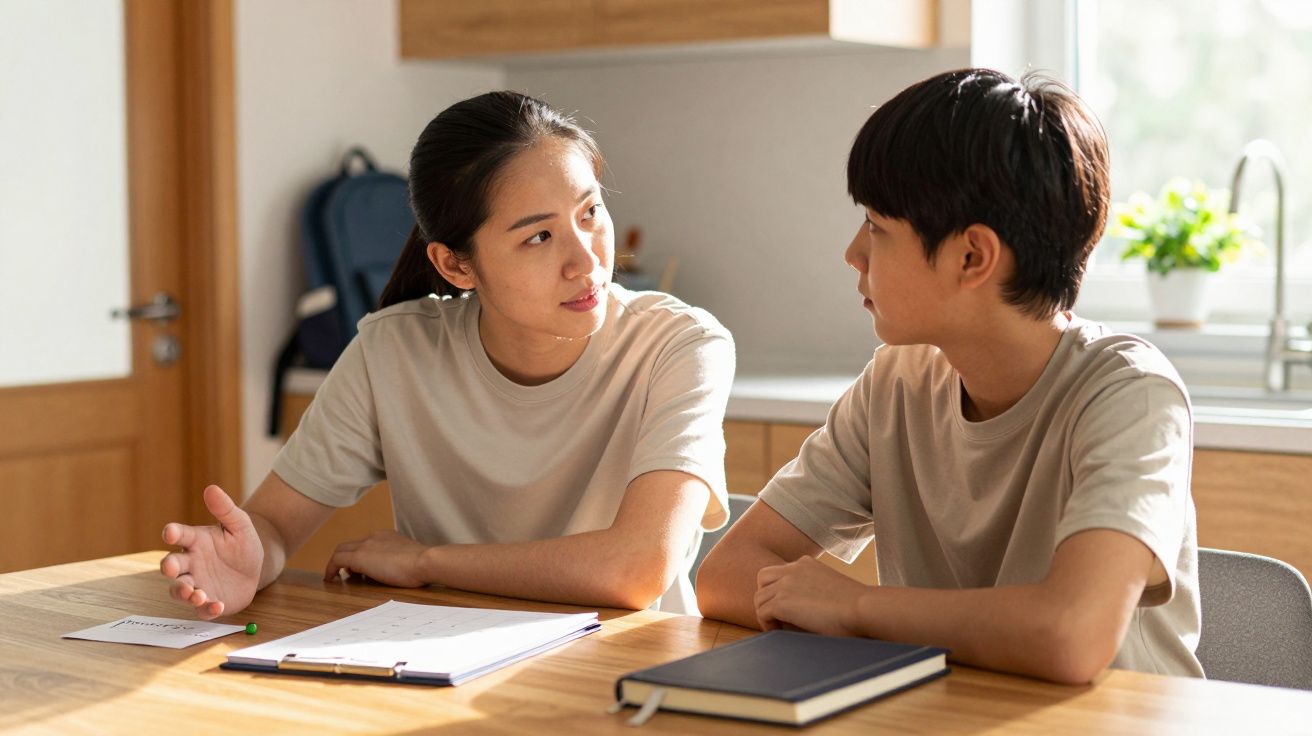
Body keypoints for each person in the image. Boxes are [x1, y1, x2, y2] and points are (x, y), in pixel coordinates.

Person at [696, 69, 1204, 684]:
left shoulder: (1130, 394)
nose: (853, 253)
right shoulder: (897, 383)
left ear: (972, 257)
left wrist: (856, 606)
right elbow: (725, 575)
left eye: (878, 228)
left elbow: (1071, 635)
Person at [160, 91, 735, 619]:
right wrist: (247, 557)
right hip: (435, 666)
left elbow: (638, 570)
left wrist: (426, 562)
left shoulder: (680, 346)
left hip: (621, 680)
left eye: (590, 213)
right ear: (456, 265)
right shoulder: (392, 351)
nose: (585, 261)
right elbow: (276, 526)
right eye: (539, 236)